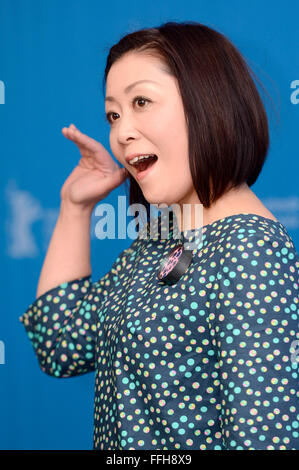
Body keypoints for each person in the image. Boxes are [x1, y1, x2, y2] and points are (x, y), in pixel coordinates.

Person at [19, 21, 299, 450]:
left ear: (208, 103)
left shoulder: (250, 248)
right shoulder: (163, 241)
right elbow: (61, 344)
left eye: (142, 102)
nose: (121, 132)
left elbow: (263, 440)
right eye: (114, 114)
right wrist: (75, 208)